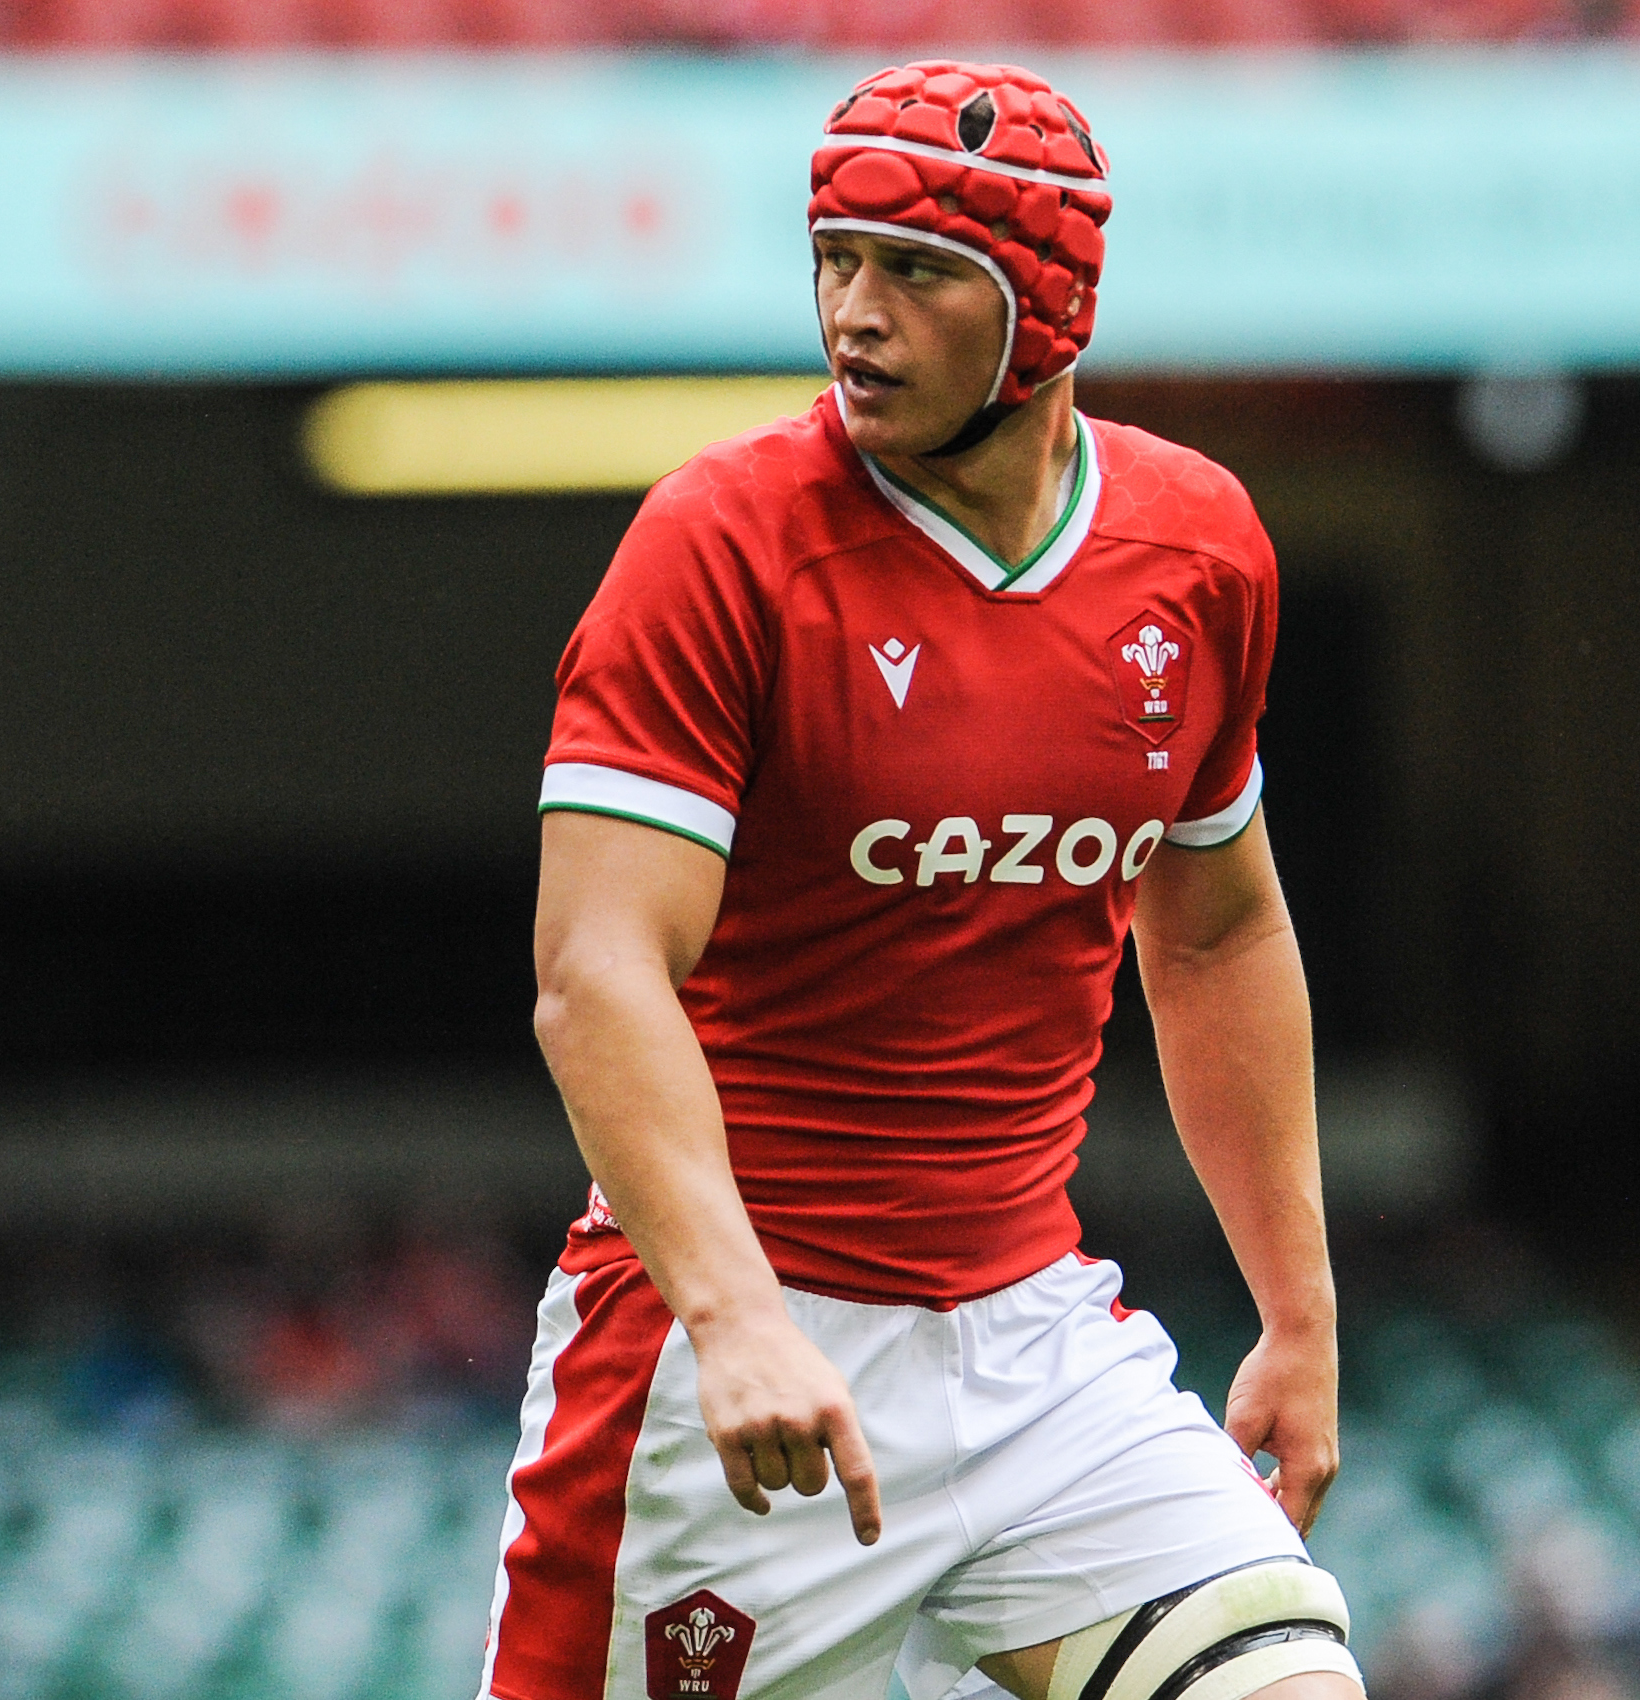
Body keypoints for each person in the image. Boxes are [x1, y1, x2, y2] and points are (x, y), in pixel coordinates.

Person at [484, 62, 1361, 1700]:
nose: (853, 314)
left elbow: (1219, 923)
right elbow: (593, 972)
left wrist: (1295, 1316)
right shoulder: (719, 543)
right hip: (723, 1356)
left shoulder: (1198, 546)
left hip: (1035, 1340)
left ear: (1048, 308)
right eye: (832, 257)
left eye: (915, 270)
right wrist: (736, 1317)